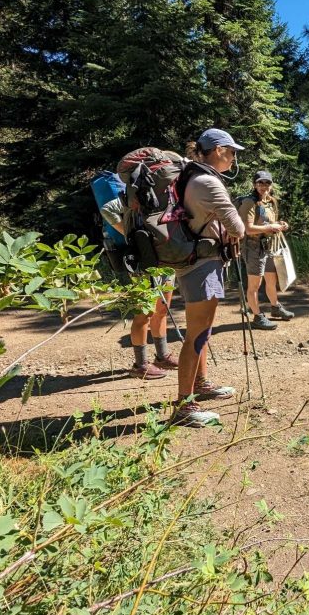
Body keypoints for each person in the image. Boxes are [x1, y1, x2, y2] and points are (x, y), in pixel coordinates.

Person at [171, 128, 247, 427]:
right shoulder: (207, 182)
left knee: (203, 330)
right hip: (201, 265)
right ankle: (184, 406)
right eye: (232, 152)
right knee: (196, 333)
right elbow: (238, 228)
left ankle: (201, 384)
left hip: (199, 261)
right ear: (218, 150)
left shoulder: (193, 178)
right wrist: (230, 227)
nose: (234, 157)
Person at [98, 196, 178, 380]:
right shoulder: (133, 193)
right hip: (142, 260)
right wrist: (127, 232)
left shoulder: (169, 192)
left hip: (167, 258)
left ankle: (162, 356)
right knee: (144, 313)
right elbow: (107, 209)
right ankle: (140, 365)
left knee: (162, 309)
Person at [238, 170, 294, 331]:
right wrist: (270, 227)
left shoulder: (270, 201)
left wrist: (280, 224)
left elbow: (269, 221)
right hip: (253, 248)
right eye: (260, 183)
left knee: (271, 279)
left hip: (269, 246)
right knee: (254, 285)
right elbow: (248, 229)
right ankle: (257, 317)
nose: (264, 186)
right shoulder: (249, 203)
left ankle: (275, 307)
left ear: (271, 185)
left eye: (267, 183)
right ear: (254, 185)